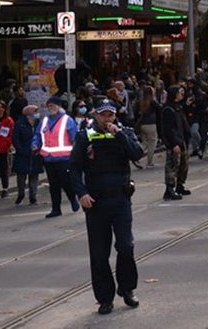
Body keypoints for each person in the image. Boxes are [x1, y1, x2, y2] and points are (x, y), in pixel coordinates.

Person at [69, 99, 143, 315]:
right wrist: (81, 192)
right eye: (103, 115)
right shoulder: (85, 136)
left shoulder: (124, 133)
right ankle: (105, 298)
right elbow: (73, 168)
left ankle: (127, 289)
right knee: (99, 253)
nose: (107, 119)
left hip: (120, 200)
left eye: (110, 115)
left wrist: (118, 134)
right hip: (96, 202)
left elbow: (137, 153)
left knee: (126, 246)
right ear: (95, 116)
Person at [32, 96, 80, 217]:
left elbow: (74, 137)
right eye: (49, 106)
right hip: (48, 158)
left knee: (65, 182)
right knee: (53, 185)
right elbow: (38, 135)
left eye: (53, 105)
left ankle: (72, 198)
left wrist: (76, 154)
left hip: (64, 158)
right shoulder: (45, 120)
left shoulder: (67, 120)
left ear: (59, 106)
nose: (51, 108)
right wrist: (35, 144)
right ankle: (56, 209)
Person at [160, 86, 190, 200]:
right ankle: (169, 189)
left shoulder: (178, 107)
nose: (181, 94)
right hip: (175, 141)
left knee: (183, 164)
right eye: (179, 93)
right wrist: (173, 144)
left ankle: (180, 185)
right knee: (172, 165)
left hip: (182, 139)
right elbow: (168, 129)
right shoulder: (168, 109)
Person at [13, 105, 43, 205]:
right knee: (21, 176)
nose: (37, 114)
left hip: (35, 154)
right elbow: (15, 139)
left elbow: (42, 136)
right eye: (35, 112)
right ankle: (21, 194)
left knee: (34, 176)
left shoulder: (39, 124)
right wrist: (21, 150)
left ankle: (33, 197)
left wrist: (39, 148)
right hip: (23, 154)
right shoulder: (20, 124)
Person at [135, 85, 161, 168]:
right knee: (152, 143)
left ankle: (135, 156)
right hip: (151, 124)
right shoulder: (153, 102)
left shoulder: (140, 101)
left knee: (145, 143)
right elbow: (160, 110)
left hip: (142, 124)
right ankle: (149, 162)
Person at [0, 100, 15, 197]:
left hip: (3, 148)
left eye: (2, 107)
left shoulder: (8, 121)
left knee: (4, 168)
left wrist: (7, 144)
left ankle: (5, 188)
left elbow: (10, 134)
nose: (0, 109)